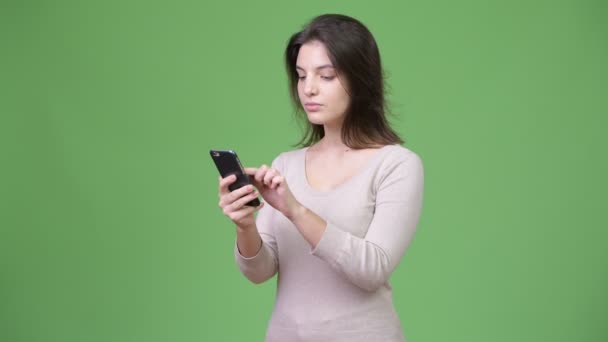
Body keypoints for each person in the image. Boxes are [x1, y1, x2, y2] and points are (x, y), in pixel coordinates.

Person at [217, 13, 424, 342]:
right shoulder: (285, 165)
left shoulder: (396, 165)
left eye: (326, 76)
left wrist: (296, 210)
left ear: (361, 79)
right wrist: (245, 225)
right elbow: (259, 272)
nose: (308, 89)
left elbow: (373, 270)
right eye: (301, 76)